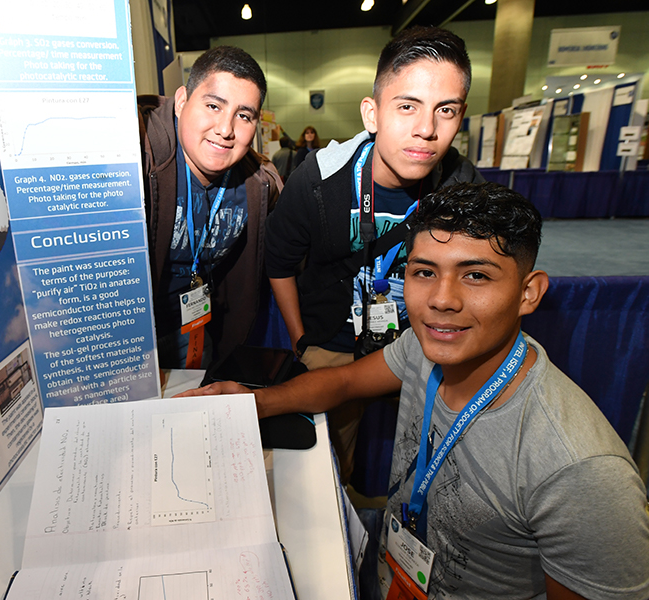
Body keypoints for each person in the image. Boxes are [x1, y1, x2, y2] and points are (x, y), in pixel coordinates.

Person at [180, 182, 649, 599]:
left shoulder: (580, 471)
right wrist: (253, 401)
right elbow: (344, 380)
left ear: (529, 293)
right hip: (387, 568)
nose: (441, 300)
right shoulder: (423, 348)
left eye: (476, 275)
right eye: (424, 272)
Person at [265, 26, 483, 482]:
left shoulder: (463, 185)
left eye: (446, 110)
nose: (426, 129)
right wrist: (303, 341)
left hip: (422, 345)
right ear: (372, 113)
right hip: (332, 343)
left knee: (431, 463)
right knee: (326, 470)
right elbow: (279, 262)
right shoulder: (319, 179)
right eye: (407, 106)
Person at [137, 46, 281, 369]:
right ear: (182, 101)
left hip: (196, 330)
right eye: (214, 106)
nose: (226, 129)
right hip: (130, 339)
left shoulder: (259, 184)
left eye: (243, 116)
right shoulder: (139, 157)